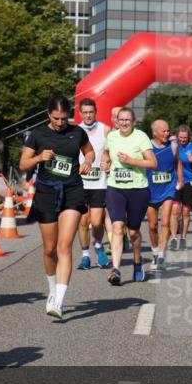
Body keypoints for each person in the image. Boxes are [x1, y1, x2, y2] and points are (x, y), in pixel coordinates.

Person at [20, 95, 94, 319]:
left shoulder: (77, 132)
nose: (61, 122)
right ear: (48, 115)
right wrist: (39, 158)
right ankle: (52, 289)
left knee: (64, 246)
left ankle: (59, 301)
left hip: (72, 190)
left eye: (64, 118)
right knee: (50, 249)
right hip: (46, 192)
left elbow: (89, 151)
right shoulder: (38, 135)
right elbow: (23, 163)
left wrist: (88, 162)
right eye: (56, 118)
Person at [101, 107, 156, 285]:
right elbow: (106, 152)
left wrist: (131, 161)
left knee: (133, 232)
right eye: (121, 120)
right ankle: (115, 270)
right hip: (115, 188)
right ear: (116, 121)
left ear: (133, 122)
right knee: (117, 227)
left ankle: (137, 261)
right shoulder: (111, 136)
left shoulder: (141, 137)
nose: (124, 123)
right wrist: (105, 162)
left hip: (138, 189)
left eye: (127, 120)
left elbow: (152, 163)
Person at [76, 98, 111, 270]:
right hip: (80, 184)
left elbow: (112, 150)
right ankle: (85, 256)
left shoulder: (105, 129)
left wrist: (108, 159)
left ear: (95, 112)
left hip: (99, 183)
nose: (88, 115)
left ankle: (98, 245)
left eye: (91, 112)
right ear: (80, 113)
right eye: (85, 112)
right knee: (83, 221)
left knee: (97, 222)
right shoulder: (75, 130)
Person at [147, 119, 182, 272]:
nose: (167, 133)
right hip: (150, 190)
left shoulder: (173, 146)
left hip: (168, 189)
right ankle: (155, 252)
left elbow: (178, 163)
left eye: (168, 130)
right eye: (164, 131)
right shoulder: (146, 146)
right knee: (152, 225)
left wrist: (180, 180)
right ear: (155, 132)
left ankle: (162, 254)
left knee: (165, 222)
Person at [169, 124, 192, 251]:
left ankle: (183, 238)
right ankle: (173, 238)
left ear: (189, 137)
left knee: (186, 212)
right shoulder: (173, 145)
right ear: (177, 136)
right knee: (175, 210)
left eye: (185, 138)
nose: (183, 140)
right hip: (175, 182)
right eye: (181, 137)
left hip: (190, 183)